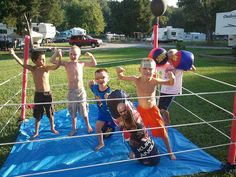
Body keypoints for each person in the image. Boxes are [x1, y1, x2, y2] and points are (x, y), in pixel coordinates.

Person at [116, 58, 176, 160]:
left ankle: (170, 152)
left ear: (154, 71)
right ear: (140, 69)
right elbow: (121, 77)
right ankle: (133, 151)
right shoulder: (136, 79)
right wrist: (119, 71)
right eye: (145, 68)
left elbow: (170, 83)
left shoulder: (154, 81)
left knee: (163, 132)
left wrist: (172, 77)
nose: (147, 71)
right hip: (140, 111)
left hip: (153, 111)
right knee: (135, 132)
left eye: (150, 69)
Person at [9, 48, 60, 139]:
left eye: (44, 59)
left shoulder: (46, 68)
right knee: (38, 115)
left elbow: (56, 67)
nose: (44, 61)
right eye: (41, 59)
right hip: (38, 95)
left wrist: (59, 56)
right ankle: (36, 132)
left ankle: (52, 128)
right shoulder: (33, 68)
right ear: (34, 61)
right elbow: (22, 64)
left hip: (48, 95)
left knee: (50, 113)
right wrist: (13, 54)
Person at [50, 46, 96, 136]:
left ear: (79, 55)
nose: (73, 56)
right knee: (73, 111)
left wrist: (91, 56)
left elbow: (94, 63)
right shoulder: (66, 64)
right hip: (71, 92)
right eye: (71, 54)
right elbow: (52, 60)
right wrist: (57, 53)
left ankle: (88, 125)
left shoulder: (81, 63)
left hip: (81, 91)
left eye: (75, 54)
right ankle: (74, 129)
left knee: (84, 110)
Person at [107, 89, 160, 166]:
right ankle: (135, 151)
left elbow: (119, 120)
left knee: (133, 141)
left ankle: (134, 152)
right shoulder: (131, 109)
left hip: (146, 156)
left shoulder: (124, 118)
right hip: (152, 152)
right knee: (138, 139)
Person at [158, 49, 196, 126]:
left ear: (177, 57)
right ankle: (160, 121)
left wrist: (189, 63)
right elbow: (156, 64)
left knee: (164, 108)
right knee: (159, 107)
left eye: (173, 58)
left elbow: (193, 69)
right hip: (164, 89)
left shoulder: (180, 66)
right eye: (169, 58)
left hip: (173, 90)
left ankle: (166, 123)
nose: (170, 59)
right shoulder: (165, 65)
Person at [88, 68, 115, 151]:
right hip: (102, 113)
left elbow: (116, 104)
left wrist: (110, 98)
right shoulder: (95, 88)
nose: (100, 80)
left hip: (111, 115)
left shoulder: (109, 92)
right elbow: (92, 87)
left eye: (103, 77)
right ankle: (101, 143)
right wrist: (90, 84)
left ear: (108, 79)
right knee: (98, 126)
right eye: (97, 78)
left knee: (110, 132)